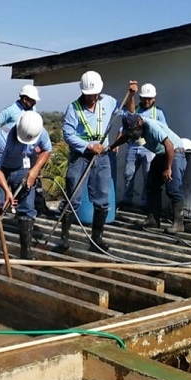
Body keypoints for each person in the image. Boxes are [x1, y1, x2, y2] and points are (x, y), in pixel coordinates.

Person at [57, 71, 135, 253]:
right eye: (89, 94)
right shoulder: (73, 108)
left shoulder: (108, 101)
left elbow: (129, 113)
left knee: (102, 197)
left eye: (95, 94)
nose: (93, 97)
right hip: (80, 157)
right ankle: (64, 238)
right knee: (73, 197)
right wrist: (88, 146)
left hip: (103, 157)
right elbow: (68, 134)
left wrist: (131, 95)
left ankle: (97, 238)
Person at [0, 111, 52, 259]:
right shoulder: (2, 137)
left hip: (23, 167)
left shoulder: (40, 132)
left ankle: (26, 251)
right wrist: (7, 192)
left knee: (27, 208)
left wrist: (35, 170)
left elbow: (47, 150)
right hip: (1, 169)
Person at [110, 113, 187, 233]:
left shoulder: (151, 127)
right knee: (151, 185)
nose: (133, 134)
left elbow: (169, 146)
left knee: (173, 188)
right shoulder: (136, 131)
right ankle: (153, 219)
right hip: (161, 154)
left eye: (134, 130)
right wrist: (111, 147)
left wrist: (168, 168)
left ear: (140, 123)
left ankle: (179, 223)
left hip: (175, 153)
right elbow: (125, 138)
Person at [0, 84, 56, 218]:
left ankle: (36, 209)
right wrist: (6, 143)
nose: (34, 102)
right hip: (5, 159)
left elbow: (47, 149)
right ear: (24, 99)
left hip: (24, 159)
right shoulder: (10, 114)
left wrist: (35, 169)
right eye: (32, 100)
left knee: (27, 201)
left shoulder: (36, 121)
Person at [120, 83, 167, 211]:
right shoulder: (134, 110)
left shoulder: (158, 113)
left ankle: (145, 203)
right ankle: (127, 201)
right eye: (144, 98)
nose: (147, 101)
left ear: (154, 98)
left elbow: (164, 130)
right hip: (134, 147)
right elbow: (124, 128)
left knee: (148, 176)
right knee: (128, 174)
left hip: (149, 149)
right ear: (140, 98)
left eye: (149, 98)